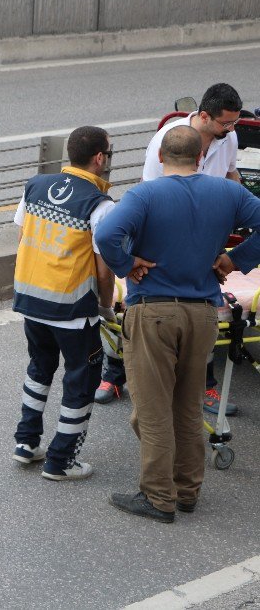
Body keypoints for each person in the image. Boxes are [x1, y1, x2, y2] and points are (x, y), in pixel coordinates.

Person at [96, 125, 260, 523]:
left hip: (154, 313)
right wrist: (235, 260)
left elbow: (105, 234)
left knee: (151, 411)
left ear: (162, 158)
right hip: (203, 312)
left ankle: (157, 498)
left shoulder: (145, 194)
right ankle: (187, 491)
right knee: (187, 406)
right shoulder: (229, 192)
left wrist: (127, 264)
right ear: (201, 158)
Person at [95, 83, 244, 413]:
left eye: (234, 123)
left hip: (203, 239)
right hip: (159, 238)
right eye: (226, 123)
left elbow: (232, 176)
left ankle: (205, 387)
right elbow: (149, 200)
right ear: (204, 116)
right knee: (137, 309)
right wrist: (129, 261)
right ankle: (114, 372)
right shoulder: (168, 141)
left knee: (200, 310)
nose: (232, 130)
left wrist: (232, 222)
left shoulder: (228, 138)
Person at [11, 126, 117, 481]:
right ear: (99, 158)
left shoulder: (35, 186)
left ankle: (26, 443)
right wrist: (106, 306)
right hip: (72, 311)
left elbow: (24, 234)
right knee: (81, 381)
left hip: (31, 301)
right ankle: (61, 461)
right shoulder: (100, 205)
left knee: (39, 369)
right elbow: (104, 271)